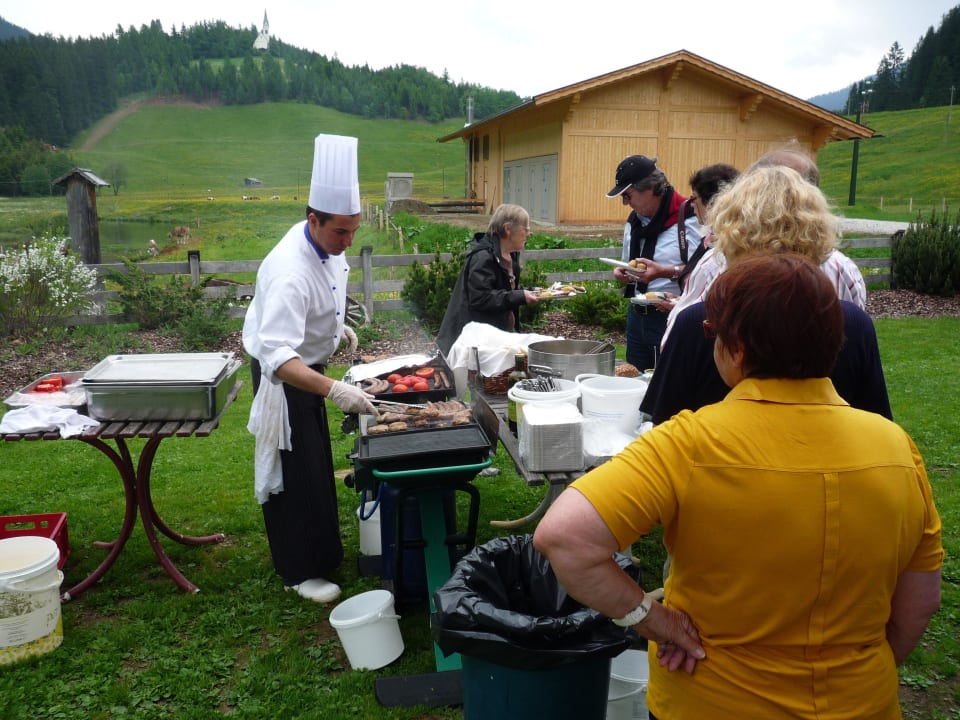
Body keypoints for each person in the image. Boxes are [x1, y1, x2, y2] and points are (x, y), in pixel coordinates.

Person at [534, 254, 943, 720]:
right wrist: (862, 670)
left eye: (711, 332)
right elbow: (921, 600)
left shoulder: (688, 441)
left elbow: (564, 537)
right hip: (862, 702)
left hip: (711, 699)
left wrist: (654, 620)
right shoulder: (897, 448)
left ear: (739, 348)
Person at [243, 134, 376, 603]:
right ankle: (299, 571)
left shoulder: (324, 246)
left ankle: (322, 555)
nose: (348, 241)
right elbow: (278, 356)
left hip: (310, 363)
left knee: (317, 467)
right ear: (312, 219)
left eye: (354, 230)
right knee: (293, 475)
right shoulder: (288, 271)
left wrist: (333, 331)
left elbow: (322, 293)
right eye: (340, 232)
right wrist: (336, 390)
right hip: (286, 375)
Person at [660, 162, 865, 348]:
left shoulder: (716, 265)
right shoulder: (843, 270)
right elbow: (858, 359)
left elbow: (674, 343)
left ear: (735, 213)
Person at [606, 155, 702, 370]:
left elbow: (705, 271)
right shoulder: (634, 221)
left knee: (671, 385)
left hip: (672, 315)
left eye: (627, 195)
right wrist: (622, 272)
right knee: (635, 380)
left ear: (649, 189)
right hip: (636, 315)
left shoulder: (690, 218)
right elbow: (627, 263)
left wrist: (666, 272)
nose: (624, 203)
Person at [435, 203, 540, 356]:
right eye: (526, 229)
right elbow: (480, 298)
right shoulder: (483, 257)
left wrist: (529, 292)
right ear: (508, 229)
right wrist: (519, 296)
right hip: (474, 344)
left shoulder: (511, 255)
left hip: (496, 337)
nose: (528, 234)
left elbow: (503, 290)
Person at [675, 163, 739, 290]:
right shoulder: (711, 237)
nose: (691, 204)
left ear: (711, 200)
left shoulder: (729, 244)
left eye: (694, 198)